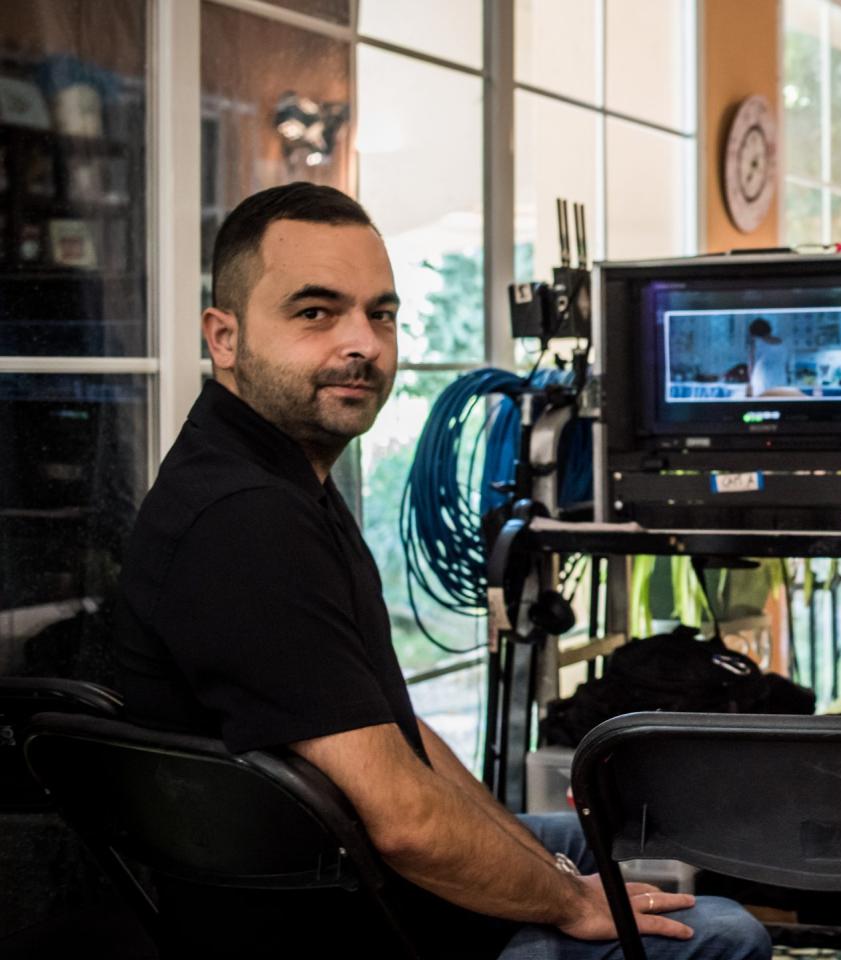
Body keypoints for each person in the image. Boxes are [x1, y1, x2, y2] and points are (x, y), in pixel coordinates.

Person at [112, 182, 770, 960]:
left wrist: (549, 870)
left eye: (380, 314)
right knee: (725, 935)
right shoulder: (244, 520)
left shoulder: (280, 477)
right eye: (316, 312)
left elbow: (400, 737)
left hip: (351, 870)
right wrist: (571, 902)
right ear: (224, 337)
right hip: (339, 923)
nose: (363, 343)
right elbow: (406, 824)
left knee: (602, 834)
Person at [745, 317, 798, 397]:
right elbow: (786, 366)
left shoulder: (756, 343)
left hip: (761, 384)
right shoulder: (783, 344)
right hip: (780, 381)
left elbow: (751, 366)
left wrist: (749, 384)